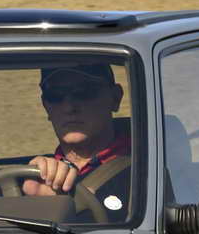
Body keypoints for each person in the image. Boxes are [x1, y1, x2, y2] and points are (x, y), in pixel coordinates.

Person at [19, 63, 132, 217]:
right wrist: (32, 201)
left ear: (115, 98)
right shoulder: (27, 179)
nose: (69, 107)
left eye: (84, 92)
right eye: (55, 95)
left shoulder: (147, 171)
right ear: (46, 106)